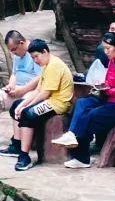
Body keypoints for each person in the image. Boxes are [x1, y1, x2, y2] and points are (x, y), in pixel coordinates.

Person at [53, 32, 115, 169]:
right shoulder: (112, 60)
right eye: (104, 48)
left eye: (108, 48)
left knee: (90, 116)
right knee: (81, 103)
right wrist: (101, 87)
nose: (105, 52)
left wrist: (106, 90)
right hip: (110, 98)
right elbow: (109, 81)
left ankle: (81, 156)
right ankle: (71, 135)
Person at [11, 39, 74, 172]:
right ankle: (21, 144)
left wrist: (26, 108)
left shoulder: (54, 66)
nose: (35, 60)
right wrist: (21, 104)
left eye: (36, 56)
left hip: (58, 103)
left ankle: (24, 156)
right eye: (33, 57)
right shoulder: (46, 66)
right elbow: (38, 91)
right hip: (49, 100)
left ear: (45, 52)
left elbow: (45, 93)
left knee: (27, 114)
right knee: (15, 106)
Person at [0, 30, 42, 150]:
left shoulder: (34, 53)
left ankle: (18, 142)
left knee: (19, 104)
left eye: (13, 49)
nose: (13, 53)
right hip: (18, 89)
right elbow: (14, 74)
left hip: (31, 91)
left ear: (21, 43)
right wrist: (11, 86)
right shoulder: (18, 55)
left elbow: (40, 78)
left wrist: (22, 90)